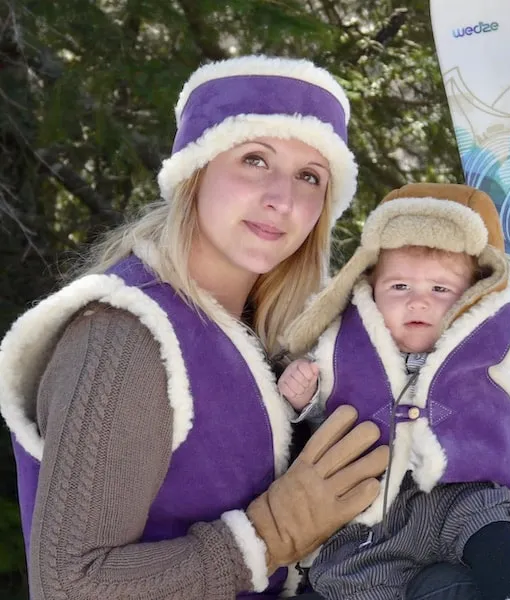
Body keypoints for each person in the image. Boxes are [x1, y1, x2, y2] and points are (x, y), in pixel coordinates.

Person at [0, 55, 391, 600]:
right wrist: (269, 536)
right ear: (195, 170)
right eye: (256, 159)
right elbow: (70, 586)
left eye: (310, 177)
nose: (283, 199)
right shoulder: (125, 337)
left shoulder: (272, 337)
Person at [279, 182, 510, 600]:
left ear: (472, 298)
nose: (418, 302)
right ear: (369, 288)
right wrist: (302, 397)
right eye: (399, 287)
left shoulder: (496, 351)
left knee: (497, 536)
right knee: (353, 579)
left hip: (467, 494)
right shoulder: (342, 349)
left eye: (439, 290)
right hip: (377, 508)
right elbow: (322, 420)